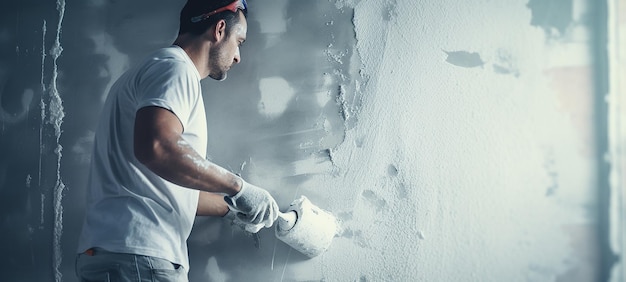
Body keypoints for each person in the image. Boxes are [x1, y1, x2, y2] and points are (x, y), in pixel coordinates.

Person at [75, 0, 279, 281]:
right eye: (239, 42)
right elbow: (159, 148)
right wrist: (240, 188)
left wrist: (232, 208)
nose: (238, 57)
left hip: (110, 253)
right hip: (143, 257)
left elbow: (168, 184)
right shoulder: (175, 68)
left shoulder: (150, 71)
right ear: (219, 29)